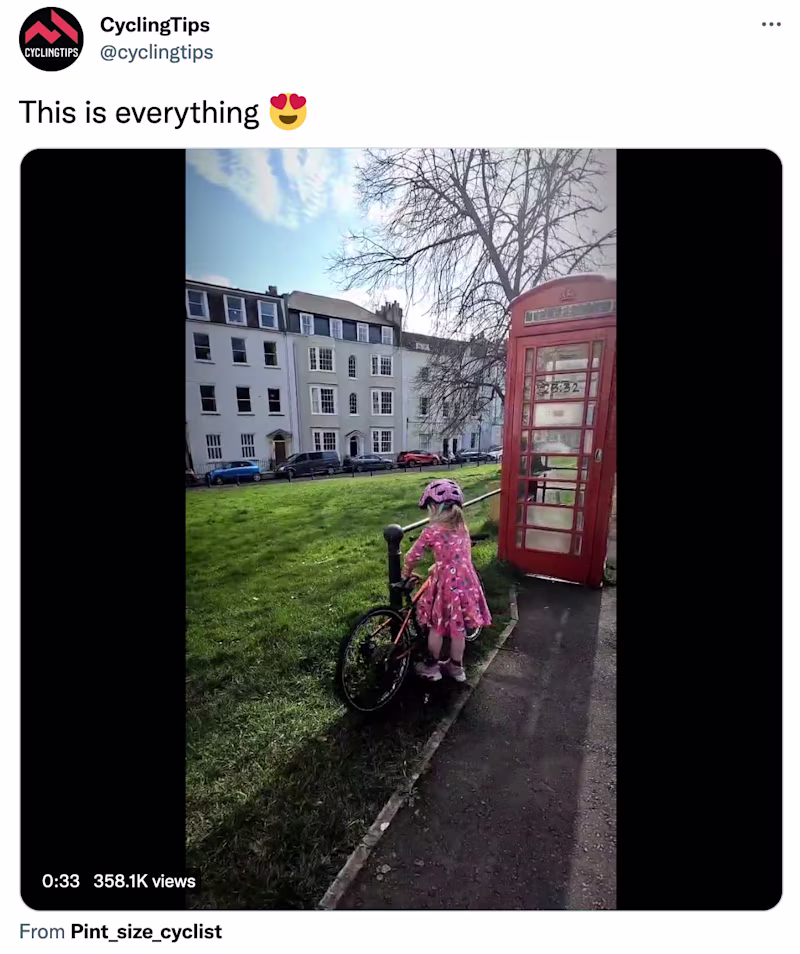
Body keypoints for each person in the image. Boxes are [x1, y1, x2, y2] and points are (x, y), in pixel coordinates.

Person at [402, 478, 492, 683]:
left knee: (437, 626)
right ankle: (456, 668)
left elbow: (413, 556)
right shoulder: (462, 527)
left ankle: (432, 667)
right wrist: (439, 565)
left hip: (446, 587)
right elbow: (458, 555)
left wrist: (405, 572)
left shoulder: (432, 531)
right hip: (466, 582)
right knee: (458, 629)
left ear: (434, 507)